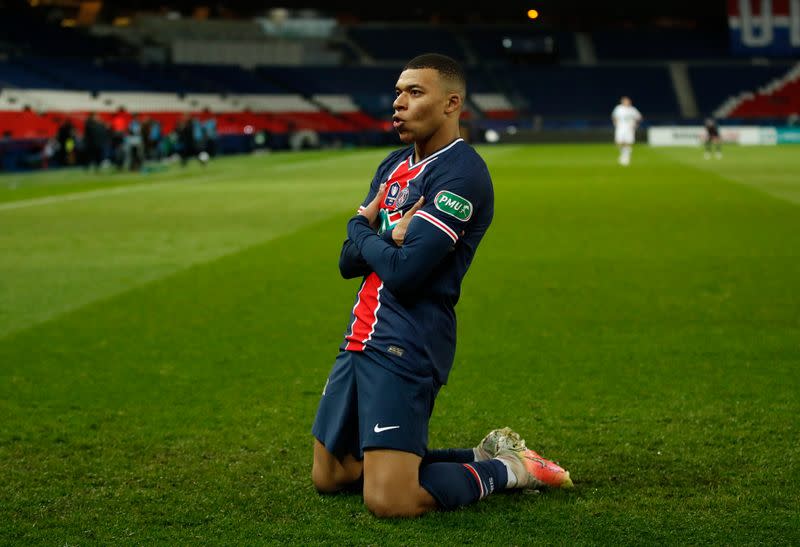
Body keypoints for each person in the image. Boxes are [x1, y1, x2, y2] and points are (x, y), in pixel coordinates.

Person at [310, 53, 573, 519]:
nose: (398, 104)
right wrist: (383, 234)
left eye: (414, 93)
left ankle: (509, 469)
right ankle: (478, 457)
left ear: (452, 103)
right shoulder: (393, 165)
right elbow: (348, 260)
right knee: (332, 476)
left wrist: (362, 228)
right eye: (397, 92)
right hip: (361, 331)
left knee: (389, 500)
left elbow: (406, 274)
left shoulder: (462, 174)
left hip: (407, 337)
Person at [611, 96, 642, 166]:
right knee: (619, 142)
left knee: (628, 142)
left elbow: (639, 117)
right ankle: (623, 154)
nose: (626, 102)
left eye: (627, 101)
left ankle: (626, 157)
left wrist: (636, 125)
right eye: (625, 101)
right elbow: (614, 116)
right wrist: (615, 123)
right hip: (620, 128)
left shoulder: (632, 109)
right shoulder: (618, 108)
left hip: (629, 128)